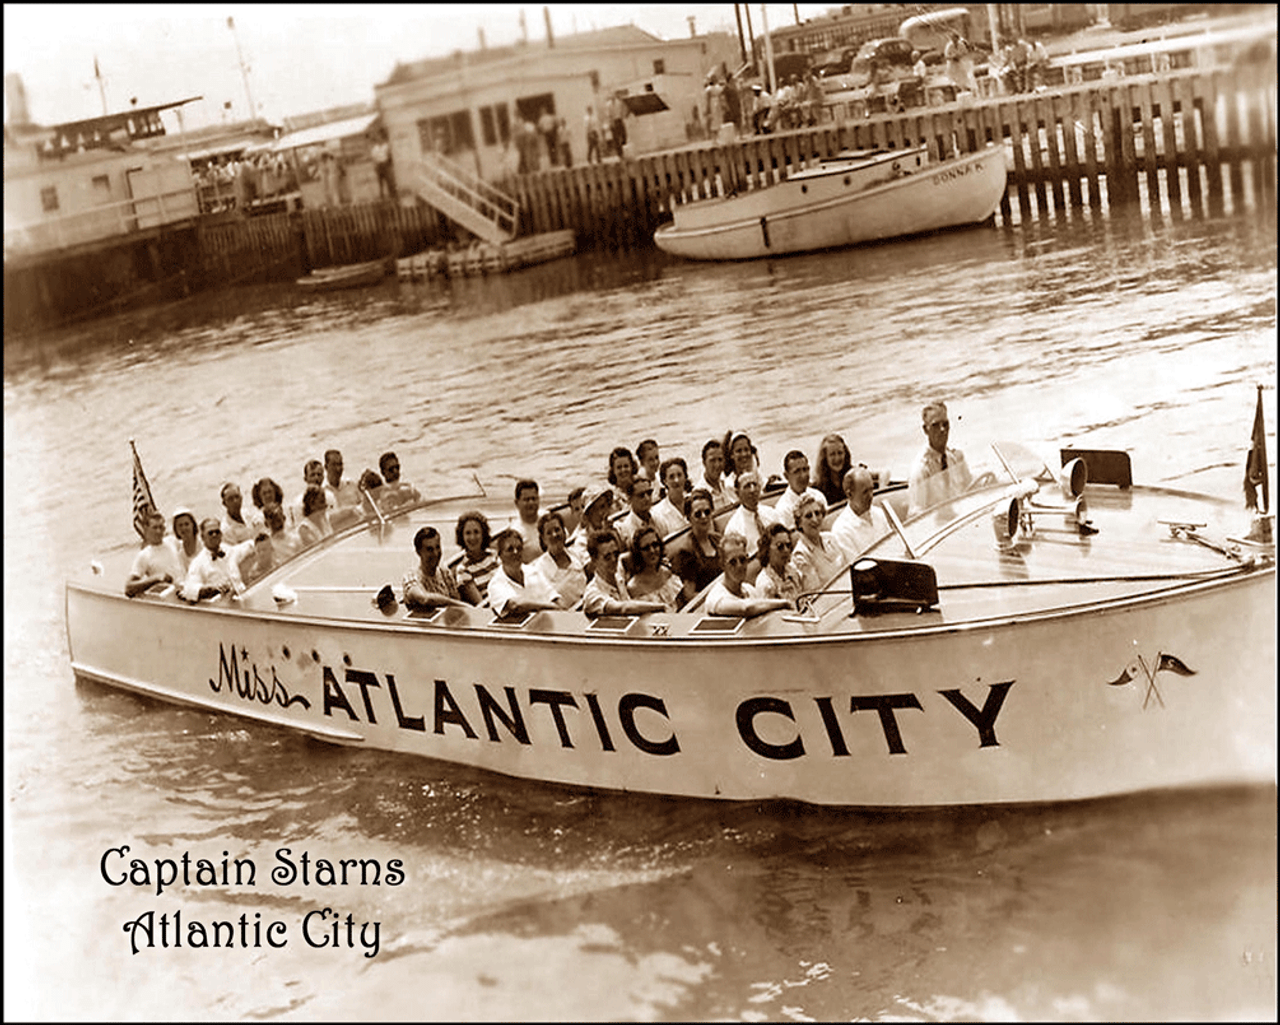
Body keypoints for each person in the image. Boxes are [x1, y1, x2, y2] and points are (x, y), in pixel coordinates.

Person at [907, 400, 973, 515]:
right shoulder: (921, 470)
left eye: (945, 424)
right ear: (926, 430)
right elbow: (916, 514)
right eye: (935, 425)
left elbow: (972, 490)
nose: (942, 429)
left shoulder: (956, 458)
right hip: (940, 528)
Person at [581, 528, 665, 618]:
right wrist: (661, 606)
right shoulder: (592, 593)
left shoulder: (619, 578)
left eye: (616, 554)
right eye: (607, 557)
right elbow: (623, 608)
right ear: (594, 561)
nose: (614, 560)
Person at [705, 533, 790, 618]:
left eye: (742, 560)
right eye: (733, 562)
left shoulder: (749, 590)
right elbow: (745, 608)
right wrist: (784, 603)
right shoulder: (716, 597)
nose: (739, 566)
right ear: (723, 565)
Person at [486, 528, 560, 616]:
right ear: (500, 555)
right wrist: (551, 607)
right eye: (510, 549)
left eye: (519, 548)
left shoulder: (534, 571)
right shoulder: (495, 584)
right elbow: (515, 605)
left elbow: (554, 597)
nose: (515, 552)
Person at [180, 518, 257, 602]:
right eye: (210, 533)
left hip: (242, 599)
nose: (214, 535)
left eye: (217, 532)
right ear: (203, 537)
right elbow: (189, 589)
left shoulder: (230, 551)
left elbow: (249, 546)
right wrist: (210, 588)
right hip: (221, 607)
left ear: (221, 534)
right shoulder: (198, 563)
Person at [670, 489, 722, 605]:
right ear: (689, 518)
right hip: (708, 605)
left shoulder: (718, 540)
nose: (704, 517)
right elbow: (689, 595)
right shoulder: (686, 552)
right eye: (698, 514)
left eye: (707, 512)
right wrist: (718, 598)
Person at [528, 511, 587, 609]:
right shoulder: (539, 569)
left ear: (564, 532)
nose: (555, 535)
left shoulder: (577, 555)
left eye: (557, 530)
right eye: (549, 533)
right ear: (543, 539)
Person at [832, 465, 893, 559]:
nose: (871, 496)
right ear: (849, 494)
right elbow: (858, 568)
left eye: (871, 489)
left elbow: (894, 546)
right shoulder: (841, 530)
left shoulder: (879, 513)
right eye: (865, 492)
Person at [403, 526, 467, 609]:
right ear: (418, 552)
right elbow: (424, 598)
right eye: (430, 549)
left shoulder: (444, 572)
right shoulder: (411, 577)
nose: (436, 553)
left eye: (438, 547)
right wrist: (466, 607)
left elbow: (456, 600)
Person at [791, 493, 844, 592]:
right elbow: (815, 592)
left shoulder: (831, 538)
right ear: (799, 523)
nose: (815, 519)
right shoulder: (800, 555)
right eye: (808, 516)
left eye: (817, 513)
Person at [624, 525, 683, 612]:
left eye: (655, 545)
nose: (652, 551)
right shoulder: (633, 587)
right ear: (638, 553)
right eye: (646, 548)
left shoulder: (667, 572)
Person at [125, 511, 183, 597]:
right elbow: (128, 588)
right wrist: (156, 578)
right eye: (155, 528)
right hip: (168, 597)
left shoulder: (173, 541)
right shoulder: (144, 555)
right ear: (146, 528)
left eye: (161, 527)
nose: (158, 531)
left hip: (185, 590)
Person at [725, 468, 780, 552]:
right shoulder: (734, 528)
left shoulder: (771, 513)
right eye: (747, 486)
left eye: (755, 484)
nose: (752, 490)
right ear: (737, 493)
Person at [452, 511, 498, 606]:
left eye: (476, 532)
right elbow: (481, 605)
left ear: (483, 534)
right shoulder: (463, 570)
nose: (472, 537)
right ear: (462, 537)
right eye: (468, 533)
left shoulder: (495, 556)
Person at [773, 450, 825, 530]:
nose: (803, 475)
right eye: (797, 471)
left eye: (805, 469)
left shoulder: (818, 496)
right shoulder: (783, 509)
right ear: (786, 476)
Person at [753, 523, 802, 608]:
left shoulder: (793, 570)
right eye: (780, 546)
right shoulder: (765, 583)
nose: (786, 550)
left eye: (788, 545)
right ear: (767, 550)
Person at [568, 486, 614, 559]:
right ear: (587, 515)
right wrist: (604, 535)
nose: (601, 513)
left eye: (603, 506)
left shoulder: (618, 528)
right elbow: (595, 567)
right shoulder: (581, 542)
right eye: (595, 510)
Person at [650, 457, 690, 537]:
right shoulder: (657, 513)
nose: (676, 480)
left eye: (679, 475)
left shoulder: (695, 501)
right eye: (671, 477)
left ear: (685, 477)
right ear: (665, 481)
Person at [615, 477, 656, 550]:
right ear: (630, 499)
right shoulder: (626, 530)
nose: (647, 498)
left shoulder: (659, 517)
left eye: (649, 493)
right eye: (641, 495)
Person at [813, 433, 853, 507]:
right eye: (832, 454)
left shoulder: (855, 477)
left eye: (840, 453)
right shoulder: (817, 488)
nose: (837, 458)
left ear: (845, 454)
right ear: (825, 458)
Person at [508, 479, 543, 563]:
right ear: (517, 503)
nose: (531, 503)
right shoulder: (515, 532)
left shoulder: (547, 521)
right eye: (526, 500)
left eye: (534, 499)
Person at [693, 437, 732, 510]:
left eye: (720, 460)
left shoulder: (728, 486)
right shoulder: (698, 495)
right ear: (704, 462)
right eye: (712, 460)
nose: (717, 465)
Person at [323, 448, 361, 512]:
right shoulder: (322, 492)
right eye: (334, 465)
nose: (338, 469)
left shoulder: (352, 485)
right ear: (326, 467)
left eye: (340, 464)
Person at [291, 459, 325, 527]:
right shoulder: (298, 503)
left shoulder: (330, 495)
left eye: (319, 474)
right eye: (312, 475)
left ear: (323, 477)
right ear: (305, 479)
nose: (316, 478)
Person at [169, 506, 202, 577]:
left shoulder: (204, 545)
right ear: (176, 529)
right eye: (180, 525)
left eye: (187, 524)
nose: (184, 528)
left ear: (193, 525)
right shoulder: (178, 553)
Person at [606, 446, 638, 513]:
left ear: (632, 466)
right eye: (619, 467)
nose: (623, 470)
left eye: (626, 466)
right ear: (613, 471)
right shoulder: (612, 497)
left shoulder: (641, 484)